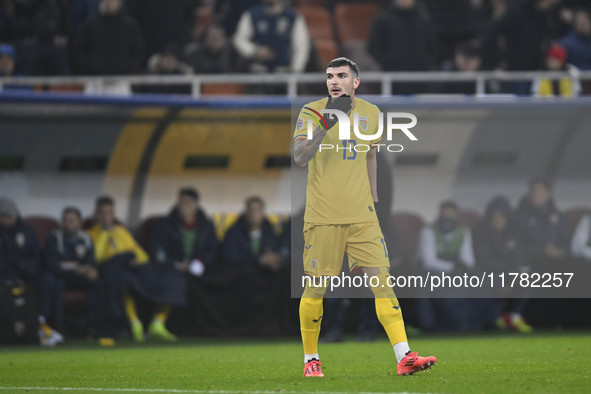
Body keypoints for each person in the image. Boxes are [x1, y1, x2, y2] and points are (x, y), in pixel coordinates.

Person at [293, 57, 436, 377]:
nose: (334, 81)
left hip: (362, 217)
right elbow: (300, 157)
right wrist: (326, 125)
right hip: (323, 216)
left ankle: (405, 356)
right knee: (316, 288)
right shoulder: (311, 112)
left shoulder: (371, 113)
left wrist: (373, 200)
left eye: (342, 76)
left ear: (355, 82)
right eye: (330, 76)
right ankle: (310, 360)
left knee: (383, 284)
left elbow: (371, 154)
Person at [87, 196, 181, 343]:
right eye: (103, 213)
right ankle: (134, 324)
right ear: (96, 214)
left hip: (132, 267)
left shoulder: (121, 231)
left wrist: (138, 260)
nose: (107, 216)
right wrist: (105, 233)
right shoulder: (91, 234)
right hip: (112, 270)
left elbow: (139, 252)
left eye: (110, 212)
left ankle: (157, 322)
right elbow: (97, 257)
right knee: (121, 279)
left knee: (172, 276)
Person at [0, 197, 63, 346]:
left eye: (9, 216)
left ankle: (41, 323)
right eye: (3, 216)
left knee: (47, 281)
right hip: (3, 276)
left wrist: (25, 266)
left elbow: (36, 256)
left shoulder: (27, 232)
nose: (6, 220)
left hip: (26, 275)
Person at [472, 196, 532, 333]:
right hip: (489, 272)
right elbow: (483, 260)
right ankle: (495, 318)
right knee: (483, 281)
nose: (498, 220)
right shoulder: (480, 231)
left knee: (527, 277)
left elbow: (518, 254)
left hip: (508, 271)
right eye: (495, 216)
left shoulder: (514, 231)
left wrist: (513, 271)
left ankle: (514, 316)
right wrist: (505, 272)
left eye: (501, 217)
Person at [416, 200, 477, 332]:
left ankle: (468, 324)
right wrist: (452, 268)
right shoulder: (428, 231)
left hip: (455, 270)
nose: (448, 218)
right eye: (445, 215)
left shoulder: (463, 231)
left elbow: (468, 259)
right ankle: (428, 326)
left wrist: (463, 269)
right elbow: (428, 261)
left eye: (451, 215)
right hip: (430, 271)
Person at [45, 207, 99, 335]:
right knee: (55, 282)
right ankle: (57, 326)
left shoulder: (86, 239)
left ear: (79, 223)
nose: (67, 224)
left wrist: (91, 271)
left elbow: (90, 261)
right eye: (65, 220)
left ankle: (94, 326)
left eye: (71, 220)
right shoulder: (54, 238)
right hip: (61, 276)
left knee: (98, 283)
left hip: (78, 277)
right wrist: (76, 269)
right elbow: (52, 266)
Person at [486, 0, 559, 94]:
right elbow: (495, 30)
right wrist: (501, 59)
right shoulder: (518, 12)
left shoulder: (544, 16)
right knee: (520, 104)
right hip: (517, 69)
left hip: (536, 69)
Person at [367, 0, 436, 94]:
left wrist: (425, 63)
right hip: (393, 77)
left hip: (420, 77)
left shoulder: (424, 19)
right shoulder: (383, 19)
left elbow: (434, 45)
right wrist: (388, 62)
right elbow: (373, 46)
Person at [151, 187, 218, 278]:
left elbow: (213, 250)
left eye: (187, 202)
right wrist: (174, 264)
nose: (183, 206)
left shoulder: (206, 226)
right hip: (171, 270)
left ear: (196, 205)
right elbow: (158, 251)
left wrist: (201, 262)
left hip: (199, 270)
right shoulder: (165, 225)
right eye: (181, 202)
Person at [232, 0, 309, 74]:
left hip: (283, 72)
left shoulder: (292, 16)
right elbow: (239, 39)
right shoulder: (252, 14)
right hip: (259, 72)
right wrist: (254, 51)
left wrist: (296, 70)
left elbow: (301, 45)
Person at [74, 0, 144, 75]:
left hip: (122, 81)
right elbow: (79, 51)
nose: (110, 2)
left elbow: (138, 51)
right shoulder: (90, 25)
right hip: (94, 80)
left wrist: (128, 67)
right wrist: (91, 67)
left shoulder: (129, 26)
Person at [514, 179, 570, 265]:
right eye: (533, 191)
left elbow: (565, 241)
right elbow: (517, 244)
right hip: (529, 262)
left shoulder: (557, 216)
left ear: (548, 194)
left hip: (555, 262)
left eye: (539, 191)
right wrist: (542, 251)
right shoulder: (519, 216)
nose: (535, 195)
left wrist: (560, 252)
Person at [221, 196, 281, 270]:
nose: (254, 215)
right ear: (246, 212)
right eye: (252, 211)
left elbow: (275, 249)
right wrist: (261, 260)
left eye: (258, 211)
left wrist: (271, 259)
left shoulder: (269, 230)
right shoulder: (234, 232)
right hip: (242, 271)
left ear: (263, 213)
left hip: (265, 272)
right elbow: (232, 257)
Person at [13, 0, 70, 76]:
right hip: (33, 40)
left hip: (55, 41)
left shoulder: (60, 3)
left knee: (61, 69)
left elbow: (68, 19)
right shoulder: (29, 4)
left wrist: (65, 36)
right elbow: (21, 19)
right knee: (29, 63)